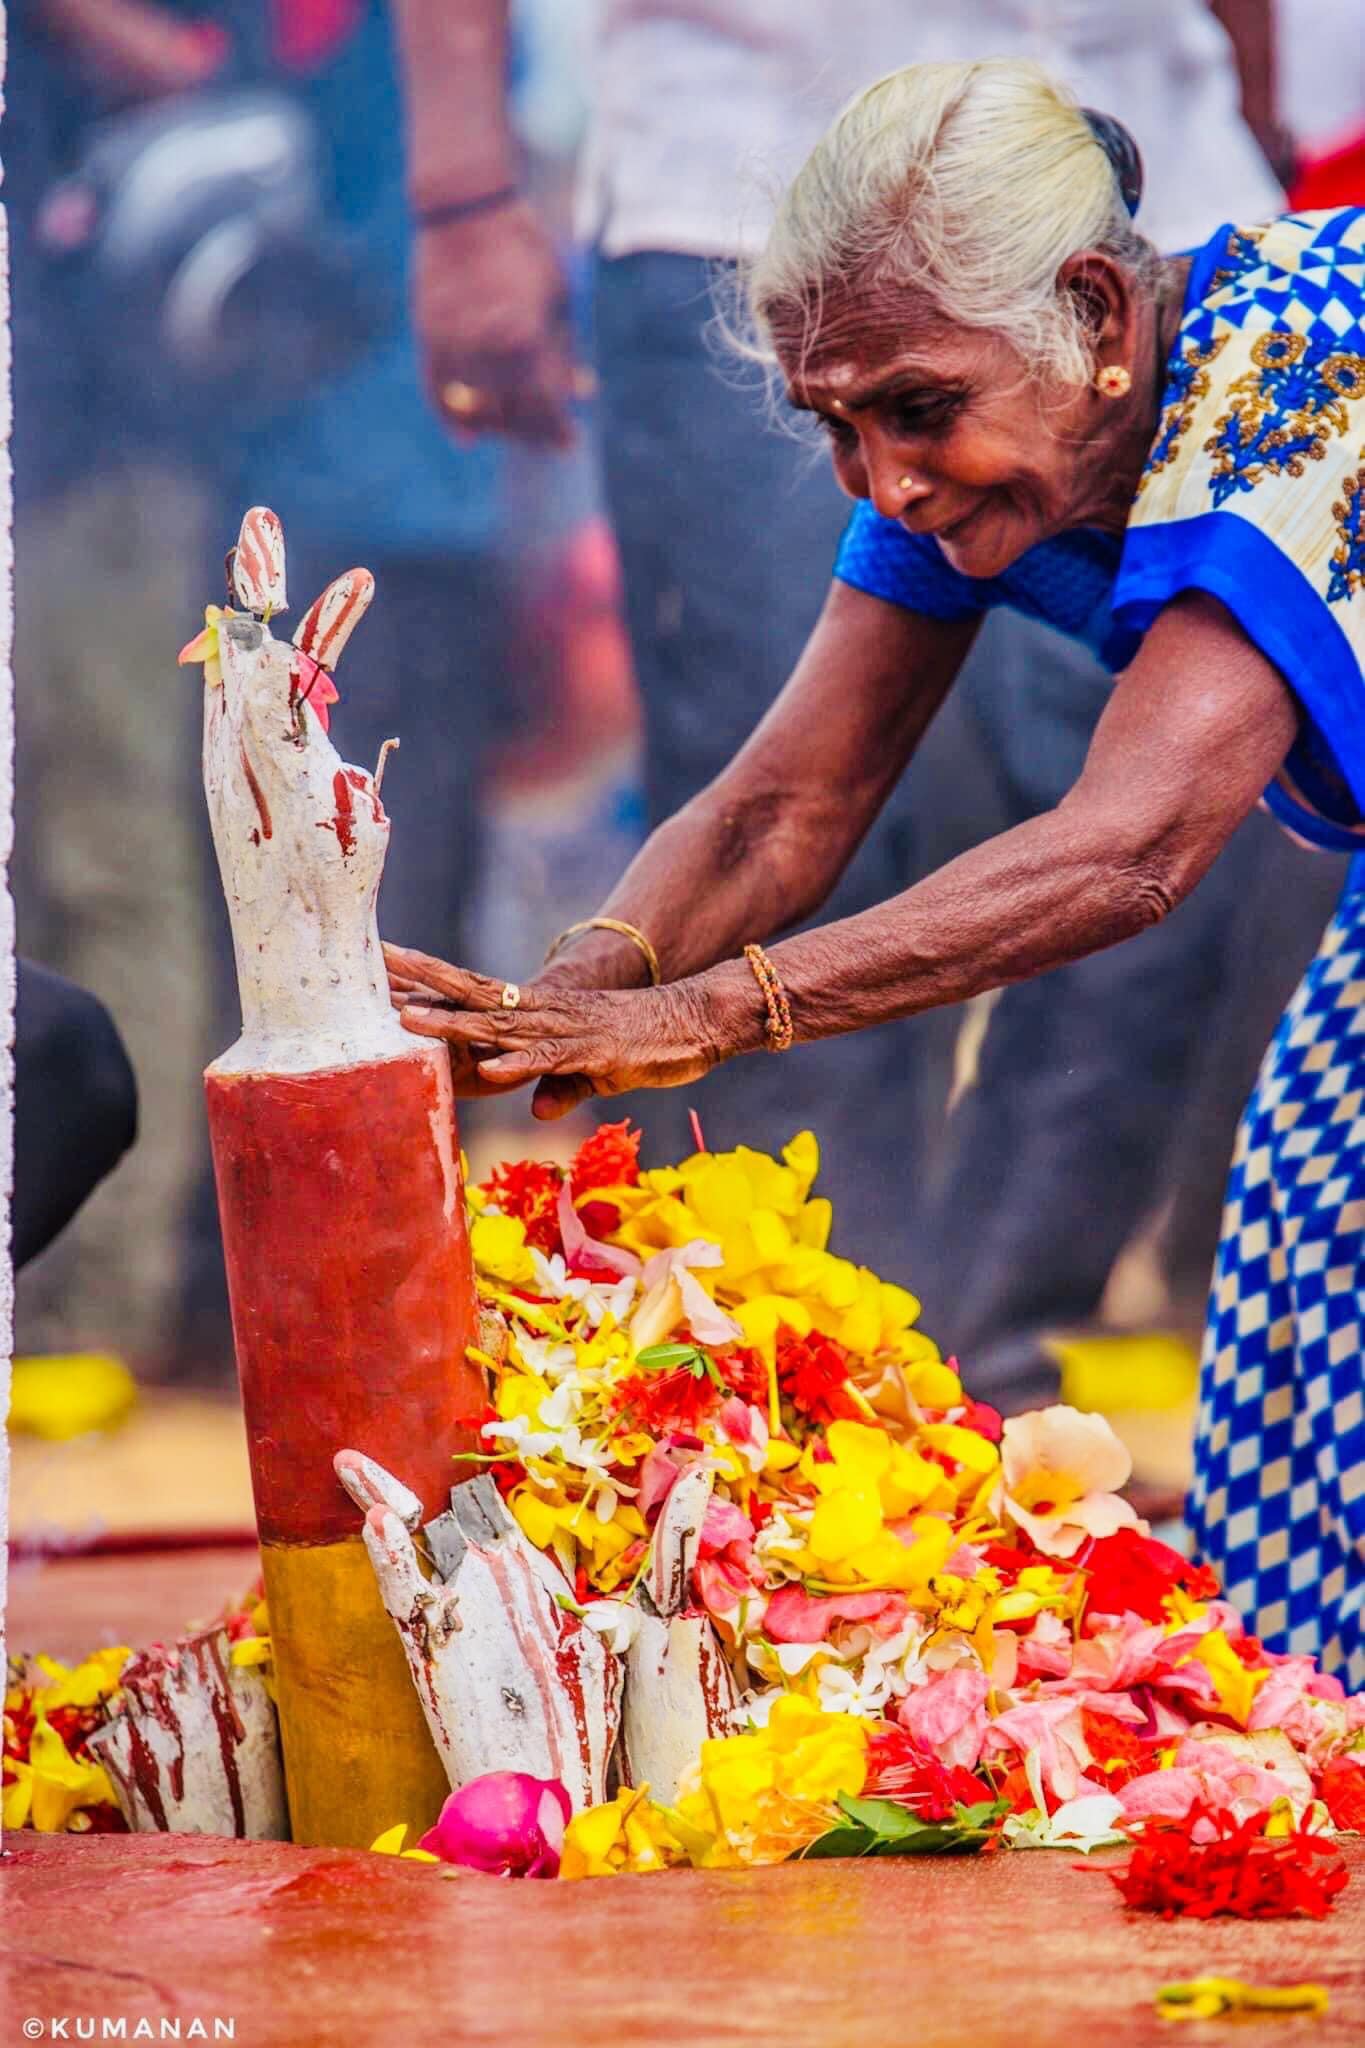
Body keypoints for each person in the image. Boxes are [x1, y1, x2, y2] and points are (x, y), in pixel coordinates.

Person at [387, 60, 1365, 1685]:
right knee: (1289, 1321)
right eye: (831, 423)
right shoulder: (985, 419)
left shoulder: (1299, 367)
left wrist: (706, 1009)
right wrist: (561, 997)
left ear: (1095, 310)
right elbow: (783, 805)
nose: (884, 481)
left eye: (912, 409)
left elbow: (1125, 852)